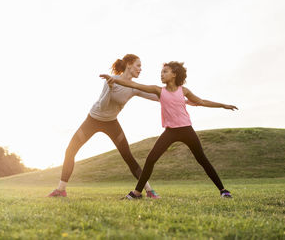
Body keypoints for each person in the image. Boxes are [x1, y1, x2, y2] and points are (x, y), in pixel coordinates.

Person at [100, 61, 238, 199]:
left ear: (174, 74)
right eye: (161, 72)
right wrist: (115, 81)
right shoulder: (158, 90)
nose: (162, 74)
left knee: (202, 159)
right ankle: (137, 192)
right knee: (150, 159)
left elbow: (201, 102)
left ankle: (223, 190)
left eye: (165, 71)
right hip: (170, 132)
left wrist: (223, 105)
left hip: (187, 130)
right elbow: (134, 85)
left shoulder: (184, 91)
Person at [47, 54, 163, 198]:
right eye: (138, 65)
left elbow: (157, 97)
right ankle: (60, 190)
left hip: (111, 123)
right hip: (93, 120)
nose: (141, 69)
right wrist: (109, 87)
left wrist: (181, 99)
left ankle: (150, 190)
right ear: (129, 64)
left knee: (128, 156)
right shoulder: (112, 79)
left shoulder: (134, 88)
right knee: (70, 150)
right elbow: (102, 106)